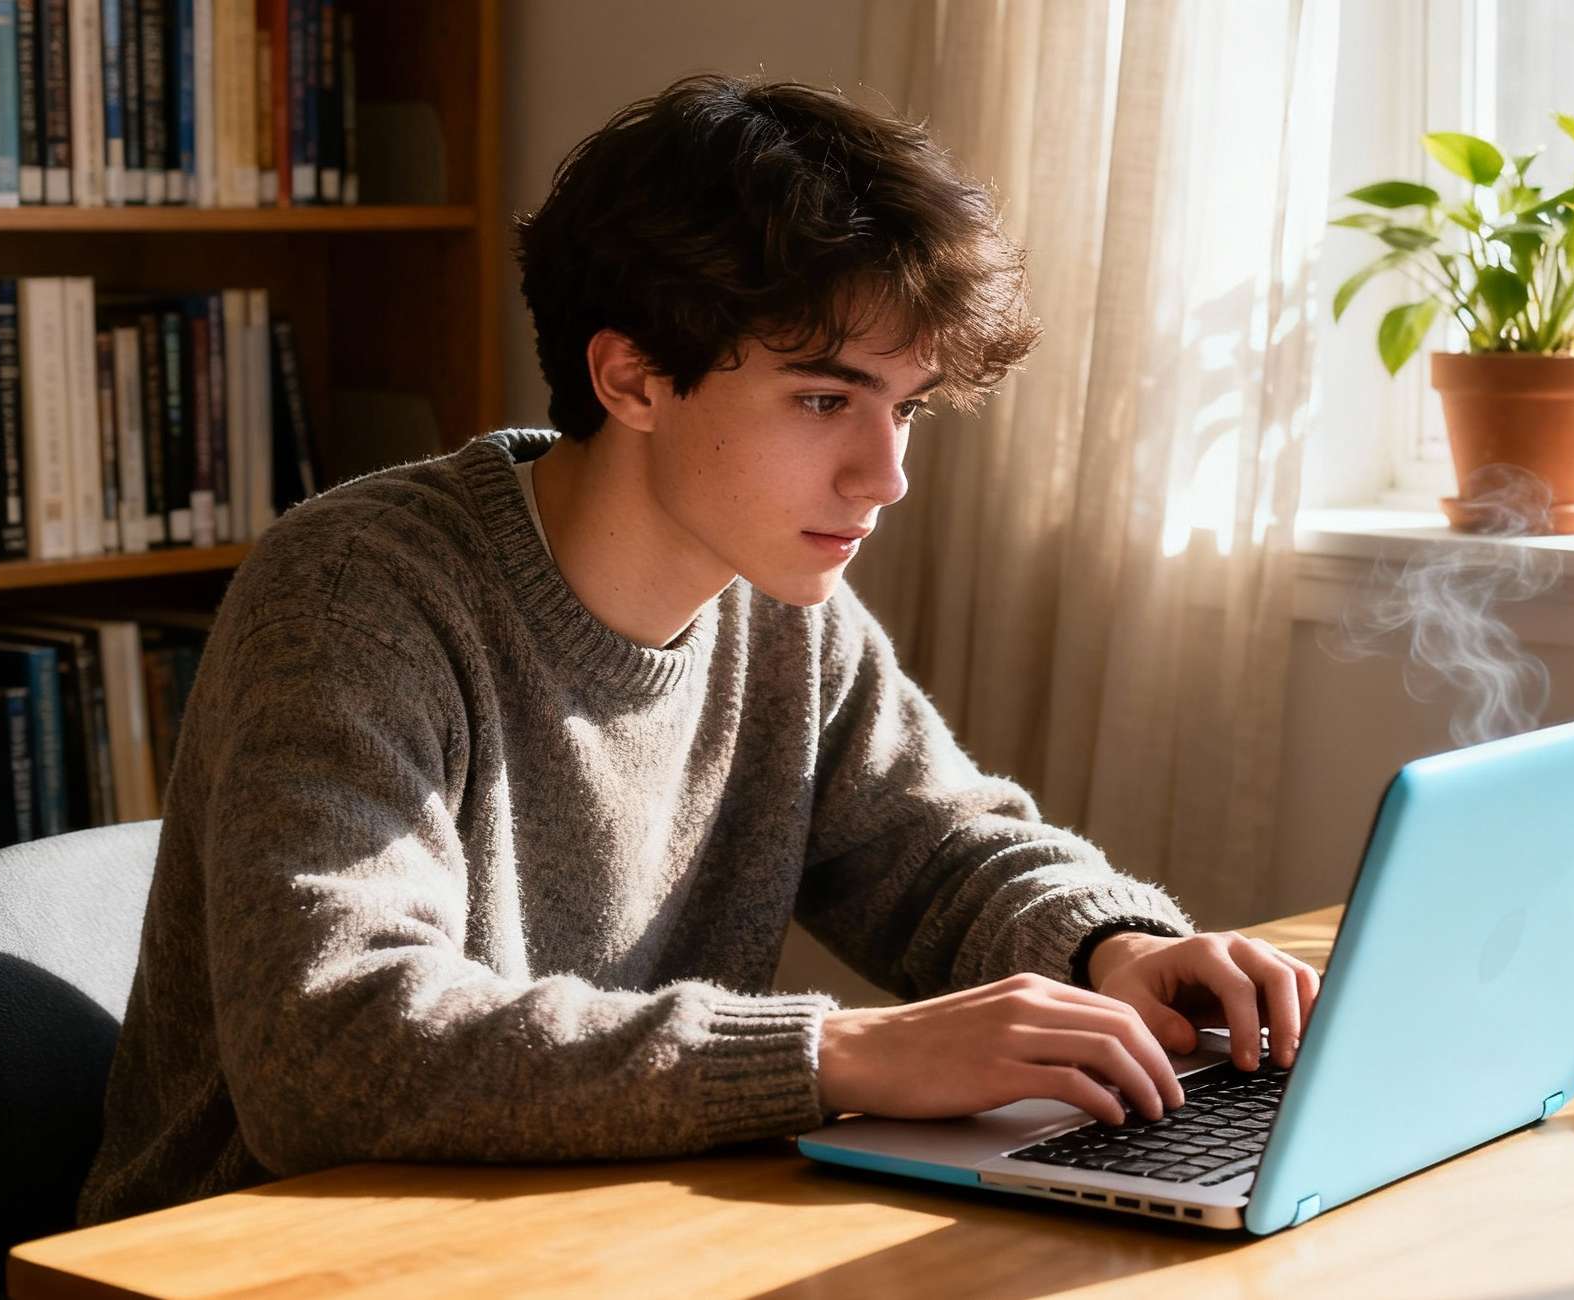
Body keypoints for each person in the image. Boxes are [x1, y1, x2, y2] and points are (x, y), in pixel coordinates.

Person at [76, 73, 1319, 1228]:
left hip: (586, 1225)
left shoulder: (777, 599)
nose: (884, 476)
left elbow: (935, 851)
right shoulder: (357, 594)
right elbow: (331, 1051)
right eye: (823, 400)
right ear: (629, 379)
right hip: (264, 1250)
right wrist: (835, 1054)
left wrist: (1114, 947)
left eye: (905, 409)